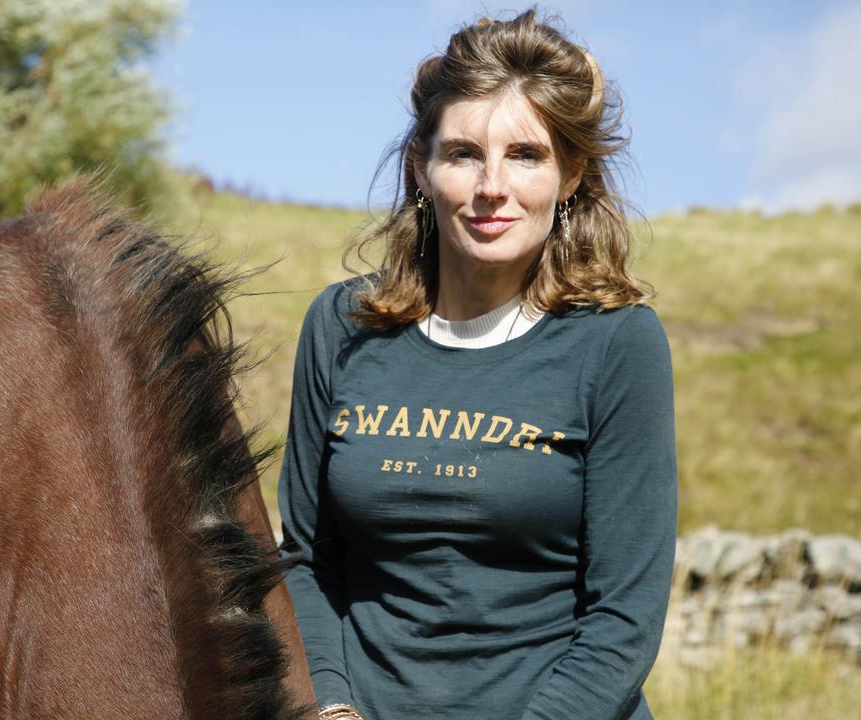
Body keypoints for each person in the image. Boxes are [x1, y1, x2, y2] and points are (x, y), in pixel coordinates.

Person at [277, 10, 677, 720]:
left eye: (525, 155)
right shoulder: (342, 327)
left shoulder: (616, 342)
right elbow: (305, 562)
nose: (492, 185)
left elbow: (624, 617)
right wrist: (332, 708)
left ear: (571, 175)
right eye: (463, 154)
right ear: (422, 168)